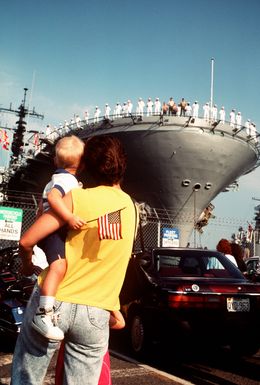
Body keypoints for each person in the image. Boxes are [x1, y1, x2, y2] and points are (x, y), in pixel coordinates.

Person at [11, 135, 137, 385]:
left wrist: (27, 264)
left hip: (55, 299)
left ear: (87, 167)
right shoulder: (131, 208)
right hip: (97, 310)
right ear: (123, 164)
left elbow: (26, 241)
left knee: (27, 379)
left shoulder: (78, 198)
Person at [33, 135, 85, 340]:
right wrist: (69, 217)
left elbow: (40, 207)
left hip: (49, 229)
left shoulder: (57, 178)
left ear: (56, 160)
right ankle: (43, 313)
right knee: (59, 267)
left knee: (62, 267)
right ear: (81, 163)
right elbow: (54, 197)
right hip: (54, 231)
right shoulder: (66, 180)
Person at [55, 310, 125, 385]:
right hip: (95, 351)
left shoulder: (69, 306)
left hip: (68, 350)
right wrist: (110, 305)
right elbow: (120, 323)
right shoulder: (98, 310)